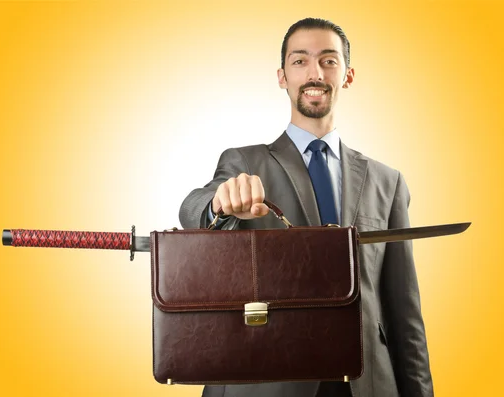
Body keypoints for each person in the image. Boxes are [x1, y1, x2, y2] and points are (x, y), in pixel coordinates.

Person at [179, 17, 433, 397]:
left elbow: (404, 312)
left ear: (347, 76)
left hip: (366, 382)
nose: (315, 72)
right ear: (282, 77)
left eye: (328, 61)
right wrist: (220, 203)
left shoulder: (387, 181)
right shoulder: (244, 163)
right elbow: (192, 210)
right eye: (300, 61)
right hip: (269, 379)